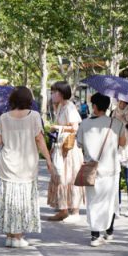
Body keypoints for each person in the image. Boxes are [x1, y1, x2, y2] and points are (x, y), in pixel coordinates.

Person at [0, 86, 57, 248]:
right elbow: (40, 140)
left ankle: (10, 235)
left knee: (9, 199)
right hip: (26, 164)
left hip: (7, 162)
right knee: (22, 199)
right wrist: (49, 161)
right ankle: (17, 237)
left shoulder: (4, 117)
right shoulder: (34, 116)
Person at [79, 93, 128, 247]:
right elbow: (123, 142)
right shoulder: (117, 123)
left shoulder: (85, 124)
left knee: (93, 201)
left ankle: (95, 235)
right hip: (111, 169)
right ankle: (109, 231)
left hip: (92, 169)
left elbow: (79, 144)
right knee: (111, 200)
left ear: (94, 106)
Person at [47, 80, 84, 221]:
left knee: (69, 176)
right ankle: (63, 209)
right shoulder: (60, 107)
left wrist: (58, 128)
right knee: (60, 176)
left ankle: (75, 211)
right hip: (60, 146)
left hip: (69, 148)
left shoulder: (69, 107)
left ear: (61, 93)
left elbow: (75, 127)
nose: (52, 95)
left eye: (54, 92)